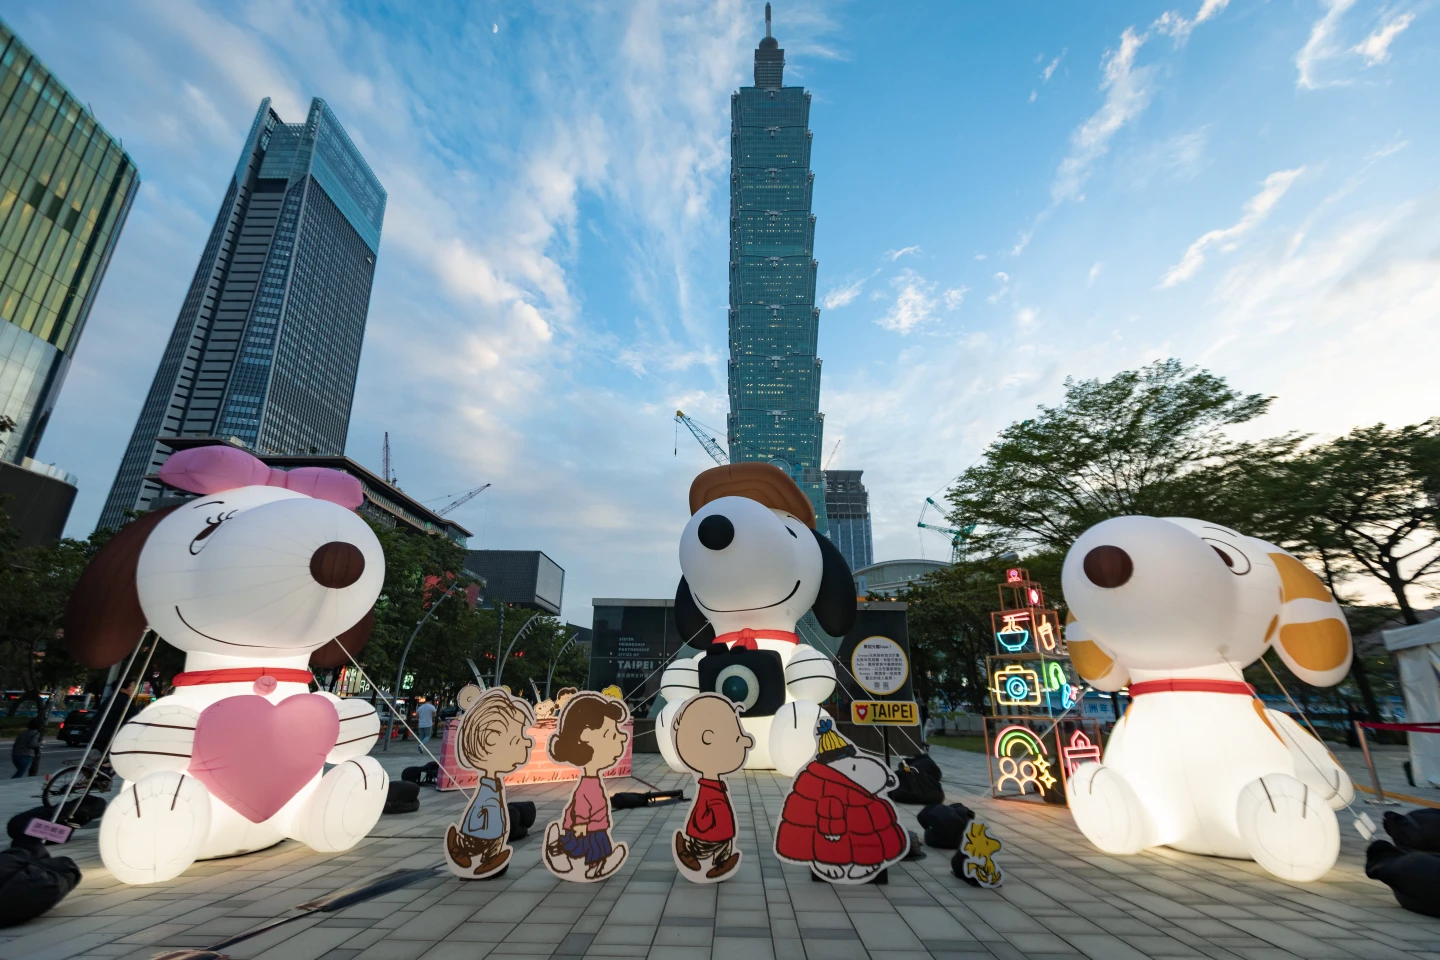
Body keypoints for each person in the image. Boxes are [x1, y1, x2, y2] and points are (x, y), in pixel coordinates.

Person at [445, 689, 534, 878]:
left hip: (490, 830)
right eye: (518, 738)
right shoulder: (488, 789)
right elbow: (480, 814)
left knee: (490, 822)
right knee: (484, 822)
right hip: (483, 832)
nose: (528, 743)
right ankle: (465, 849)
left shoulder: (493, 786)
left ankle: (485, 856)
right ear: (491, 740)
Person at [543, 693, 630, 881]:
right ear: (586, 737)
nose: (622, 738)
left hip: (596, 825)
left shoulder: (593, 780)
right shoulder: (588, 784)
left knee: (596, 846)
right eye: (610, 734)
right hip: (586, 827)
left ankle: (595, 865)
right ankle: (559, 849)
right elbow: (581, 805)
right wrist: (581, 824)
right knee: (585, 846)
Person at [671, 693, 752, 881]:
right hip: (712, 830)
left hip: (716, 830)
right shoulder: (710, 788)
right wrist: (705, 823)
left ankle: (716, 860)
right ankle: (693, 853)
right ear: (708, 739)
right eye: (736, 737)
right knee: (707, 844)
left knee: (717, 844)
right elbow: (705, 809)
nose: (745, 741)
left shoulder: (713, 786)